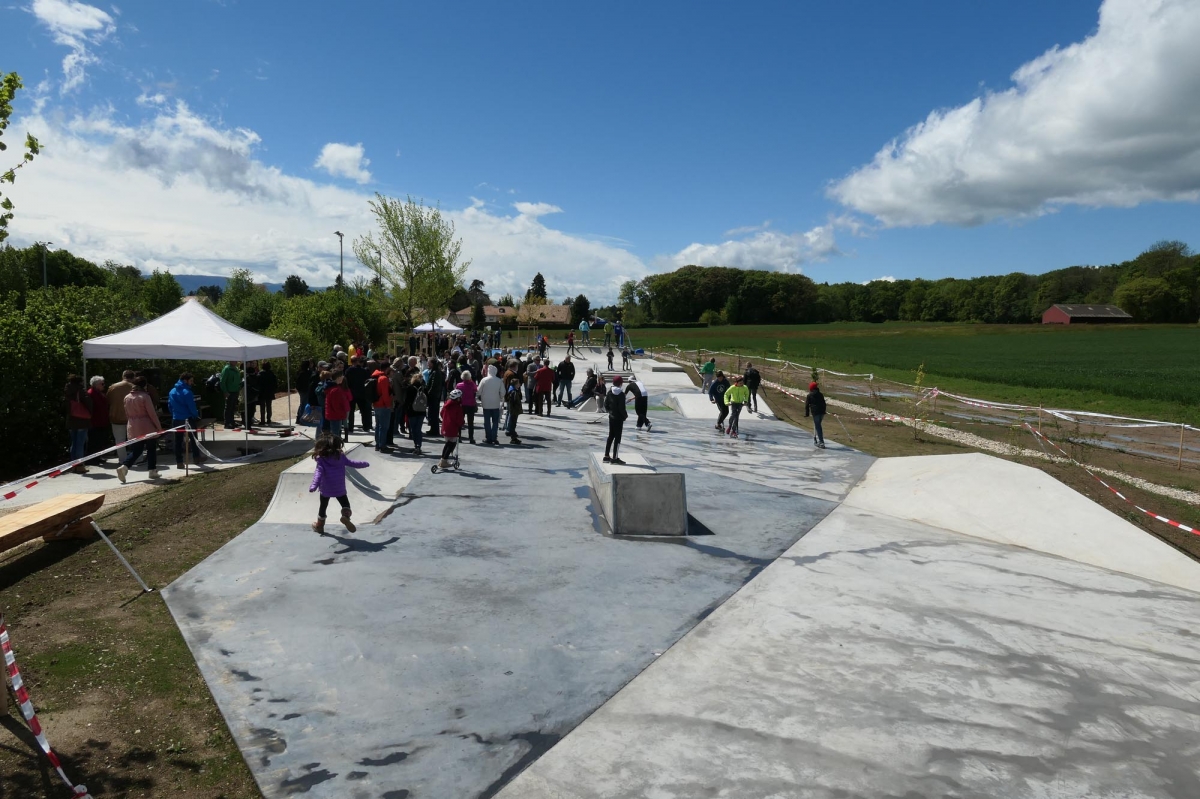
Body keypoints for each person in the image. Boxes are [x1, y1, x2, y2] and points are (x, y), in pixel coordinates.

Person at [308, 434, 369, 533]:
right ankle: (345, 516)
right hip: (339, 488)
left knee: (323, 507)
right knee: (345, 504)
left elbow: (318, 473)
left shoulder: (321, 459)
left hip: (326, 489)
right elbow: (352, 463)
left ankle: (319, 526)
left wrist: (314, 485)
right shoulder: (340, 457)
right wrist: (364, 464)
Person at [117, 376, 162, 482]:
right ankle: (152, 470)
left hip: (133, 425)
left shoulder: (127, 397)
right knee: (151, 449)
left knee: (137, 450)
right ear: (145, 385)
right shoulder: (145, 396)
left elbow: (127, 413)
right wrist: (158, 427)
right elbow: (152, 414)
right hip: (147, 426)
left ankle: (124, 467)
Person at [168, 372, 206, 469]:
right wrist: (196, 415)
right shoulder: (187, 392)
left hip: (176, 419)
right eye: (191, 381)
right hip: (188, 419)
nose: (192, 383)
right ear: (185, 380)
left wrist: (174, 414)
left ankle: (179, 462)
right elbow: (192, 407)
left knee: (178, 441)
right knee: (194, 439)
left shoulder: (172, 391)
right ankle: (196, 457)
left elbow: (170, 405)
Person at [64, 375, 92, 473]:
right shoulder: (81, 391)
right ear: (80, 382)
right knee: (80, 444)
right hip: (81, 420)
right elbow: (89, 404)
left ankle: (73, 465)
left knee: (74, 443)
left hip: (71, 420)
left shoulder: (67, 391)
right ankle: (80, 465)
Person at [107, 369, 136, 460]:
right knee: (135, 439)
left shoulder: (113, 387)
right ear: (133, 377)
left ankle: (122, 460)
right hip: (133, 417)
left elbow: (108, 401)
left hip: (116, 417)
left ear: (123, 376)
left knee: (119, 440)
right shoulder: (135, 387)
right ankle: (136, 458)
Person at [603, 375, 628, 464]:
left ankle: (606, 456)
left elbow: (605, 404)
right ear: (620, 383)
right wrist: (625, 416)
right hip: (618, 419)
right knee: (617, 438)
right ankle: (615, 458)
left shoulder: (610, 392)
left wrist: (610, 412)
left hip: (611, 417)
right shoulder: (621, 394)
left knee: (611, 436)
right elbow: (621, 408)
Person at [438, 388, 466, 469]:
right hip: (453, 427)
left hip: (445, 426)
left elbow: (441, 413)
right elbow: (459, 419)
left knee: (447, 444)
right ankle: (444, 460)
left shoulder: (447, 404)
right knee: (451, 444)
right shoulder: (457, 407)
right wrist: (462, 423)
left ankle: (443, 460)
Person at [86, 375, 111, 465]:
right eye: (102, 384)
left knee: (99, 441)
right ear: (96, 384)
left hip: (101, 421)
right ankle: (92, 459)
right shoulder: (91, 393)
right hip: (94, 421)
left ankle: (98, 457)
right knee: (93, 441)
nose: (104, 385)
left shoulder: (98, 393)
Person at [370, 361, 393, 452]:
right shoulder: (383, 378)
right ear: (387, 368)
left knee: (378, 426)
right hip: (383, 405)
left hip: (376, 404)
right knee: (384, 427)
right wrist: (388, 405)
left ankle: (378, 445)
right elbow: (385, 394)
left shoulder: (376, 376)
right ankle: (382, 446)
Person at [478, 364, 504, 445]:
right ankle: (494, 437)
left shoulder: (484, 380)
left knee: (487, 421)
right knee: (495, 421)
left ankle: (488, 437)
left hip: (486, 404)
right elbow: (503, 392)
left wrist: (481, 397)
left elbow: (478, 391)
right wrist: (500, 397)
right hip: (495, 403)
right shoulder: (499, 380)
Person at [345, 356, 371, 435]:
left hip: (352, 393)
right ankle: (366, 426)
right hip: (361, 393)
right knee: (363, 411)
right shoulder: (363, 370)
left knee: (351, 411)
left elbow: (346, 382)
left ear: (351, 362)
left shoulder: (348, 371)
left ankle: (350, 427)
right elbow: (367, 381)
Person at [323, 372, 353, 440]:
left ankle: (336, 444)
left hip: (334, 414)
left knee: (335, 433)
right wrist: (342, 414)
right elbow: (336, 405)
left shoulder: (333, 388)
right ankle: (335, 446)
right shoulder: (335, 390)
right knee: (335, 435)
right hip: (336, 415)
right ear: (338, 378)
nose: (343, 377)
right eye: (342, 376)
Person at [404, 372, 428, 456]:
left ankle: (416, 446)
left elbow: (407, 400)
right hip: (421, 411)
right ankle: (419, 445)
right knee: (418, 429)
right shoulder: (424, 388)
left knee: (413, 430)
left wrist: (405, 410)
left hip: (412, 411)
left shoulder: (410, 388)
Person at [456, 367, 478, 444]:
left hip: (461, 404)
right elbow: (475, 391)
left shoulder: (459, 385)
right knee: (470, 422)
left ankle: (459, 437)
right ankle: (471, 438)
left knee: (460, 421)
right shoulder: (472, 384)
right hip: (470, 404)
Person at [425, 357, 445, 436]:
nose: (428, 364)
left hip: (434, 396)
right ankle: (433, 429)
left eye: (429, 362)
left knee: (433, 413)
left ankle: (435, 430)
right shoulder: (434, 371)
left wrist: (428, 393)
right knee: (432, 413)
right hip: (434, 395)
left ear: (432, 364)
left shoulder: (436, 372)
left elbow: (433, 385)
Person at [805, 381, 827, 449]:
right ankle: (819, 440)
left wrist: (807, 414)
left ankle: (821, 442)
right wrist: (824, 411)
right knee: (818, 426)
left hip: (815, 413)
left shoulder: (809, 395)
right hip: (822, 412)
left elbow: (807, 405)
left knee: (818, 426)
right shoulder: (820, 394)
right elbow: (824, 403)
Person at [220, 360, 242, 429]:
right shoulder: (227, 369)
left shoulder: (236, 369)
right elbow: (222, 381)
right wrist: (225, 391)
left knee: (233, 408)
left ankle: (232, 422)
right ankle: (227, 423)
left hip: (236, 391)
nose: (236, 362)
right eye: (234, 360)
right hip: (229, 391)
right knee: (228, 408)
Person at [504, 368, 523, 444]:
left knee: (513, 423)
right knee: (513, 424)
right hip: (514, 410)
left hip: (513, 410)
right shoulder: (514, 392)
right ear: (515, 384)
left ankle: (513, 436)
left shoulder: (511, 390)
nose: (520, 385)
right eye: (518, 383)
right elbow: (515, 401)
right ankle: (513, 438)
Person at [296, 360, 313, 425]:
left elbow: (297, 382)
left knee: (302, 404)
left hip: (301, 390)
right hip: (306, 390)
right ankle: (302, 419)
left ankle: (299, 418)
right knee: (304, 404)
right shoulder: (308, 373)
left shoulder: (300, 372)